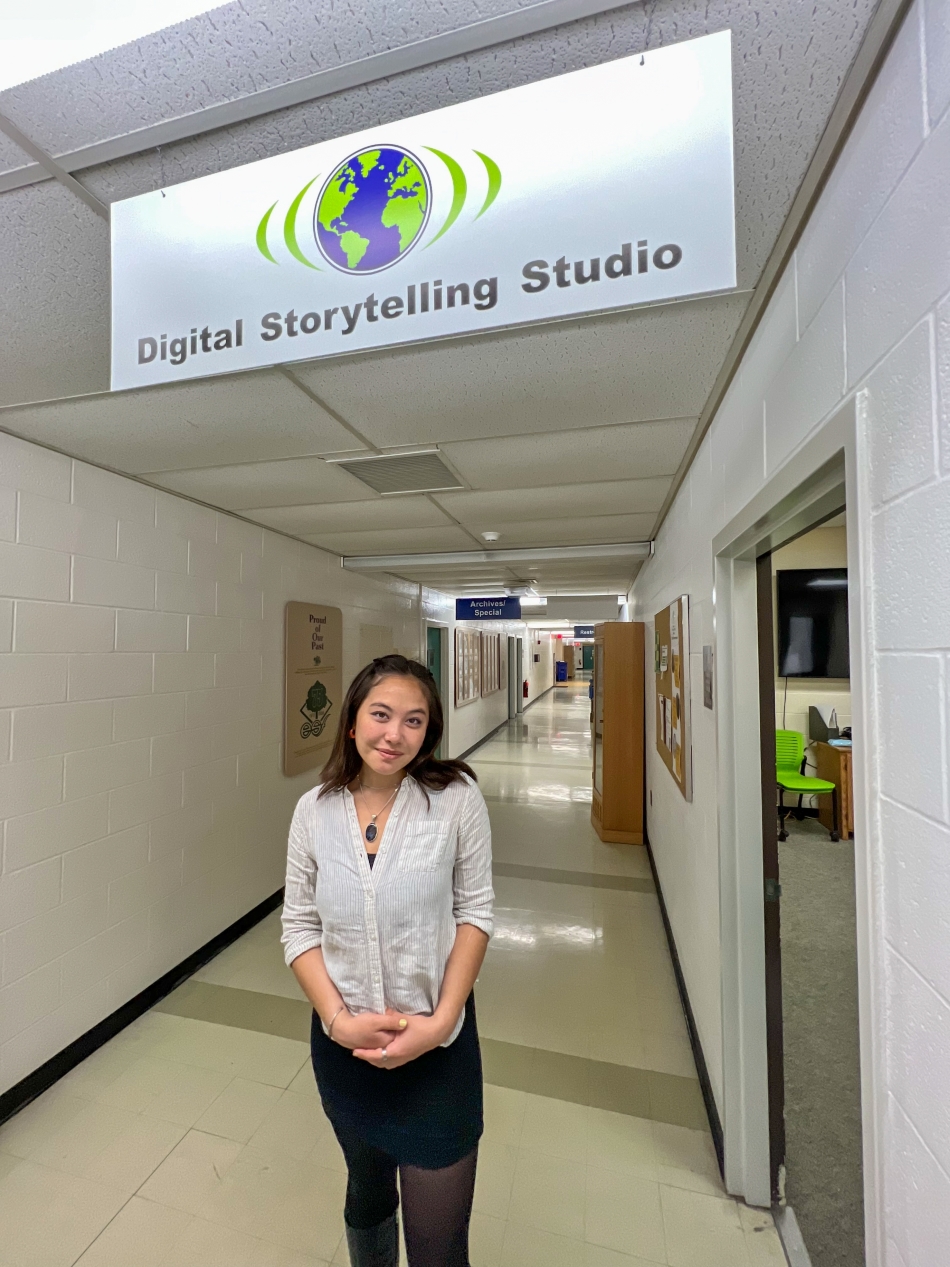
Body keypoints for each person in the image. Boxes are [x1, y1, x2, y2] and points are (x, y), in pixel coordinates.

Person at [281, 655, 494, 1267]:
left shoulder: (454, 801)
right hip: (345, 1050)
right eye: (380, 714)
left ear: (429, 733)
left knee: (439, 1246)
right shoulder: (314, 810)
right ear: (351, 722)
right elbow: (298, 926)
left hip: (438, 1053)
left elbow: (475, 912)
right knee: (367, 1193)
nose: (393, 735)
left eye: (414, 721)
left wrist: (441, 1023)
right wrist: (336, 1020)